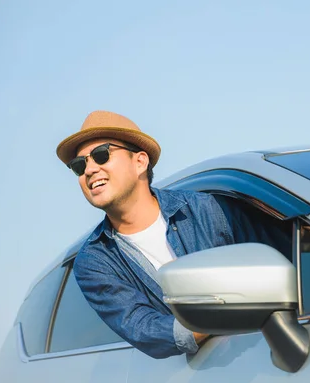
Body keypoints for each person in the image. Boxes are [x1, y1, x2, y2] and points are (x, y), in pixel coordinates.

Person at [56, 110, 290, 359]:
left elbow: (283, 263)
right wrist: (219, 318)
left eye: (101, 155)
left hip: (269, 354)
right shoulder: (93, 261)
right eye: (78, 166)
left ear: (140, 162)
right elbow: (144, 329)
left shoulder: (208, 209)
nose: (89, 170)